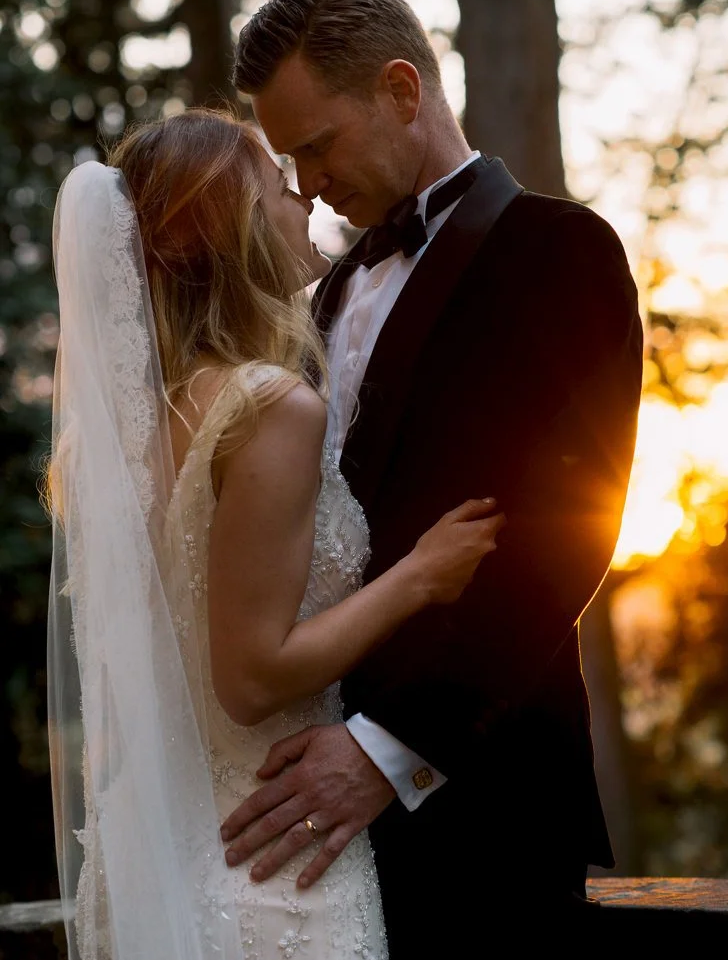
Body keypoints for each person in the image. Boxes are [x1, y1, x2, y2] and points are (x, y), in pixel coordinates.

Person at [220, 0, 644, 958]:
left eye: (318, 146)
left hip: (484, 799)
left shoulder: (560, 250)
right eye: (291, 162)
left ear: (402, 90)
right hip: (318, 819)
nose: (311, 185)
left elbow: (562, 540)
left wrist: (387, 752)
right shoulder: (326, 297)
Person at [47, 108, 505, 960]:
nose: (304, 199)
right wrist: (416, 575)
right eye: (275, 185)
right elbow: (252, 678)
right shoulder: (264, 406)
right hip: (272, 870)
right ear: (226, 226)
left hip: (162, 859)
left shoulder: (122, 433)